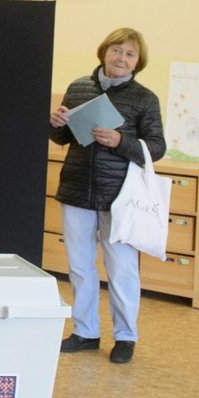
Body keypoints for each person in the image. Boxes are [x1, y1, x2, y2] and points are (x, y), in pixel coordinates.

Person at [49, 27, 165, 364]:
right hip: (77, 189)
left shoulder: (145, 98)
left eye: (130, 54)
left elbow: (156, 148)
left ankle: (126, 336)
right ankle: (85, 331)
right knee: (80, 267)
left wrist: (121, 142)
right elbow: (62, 138)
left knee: (123, 268)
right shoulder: (79, 87)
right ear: (104, 52)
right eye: (117, 50)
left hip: (120, 197)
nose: (121, 58)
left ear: (137, 62)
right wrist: (55, 123)